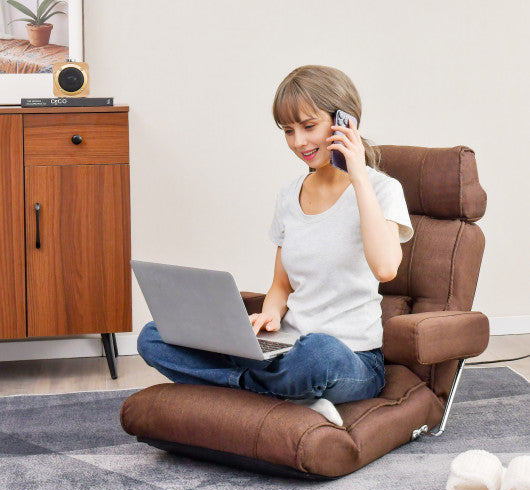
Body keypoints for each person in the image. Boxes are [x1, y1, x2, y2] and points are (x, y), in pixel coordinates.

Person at [137, 65, 414, 426]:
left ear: (344, 122)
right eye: (288, 130)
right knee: (153, 336)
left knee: (318, 351)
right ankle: (285, 394)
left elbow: (386, 268)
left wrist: (358, 175)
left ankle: (242, 387)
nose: (298, 142)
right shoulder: (288, 196)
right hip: (286, 350)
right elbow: (281, 285)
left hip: (349, 358)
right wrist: (269, 315)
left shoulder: (382, 189)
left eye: (309, 126)